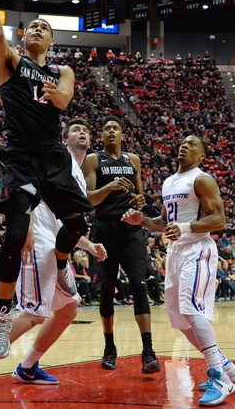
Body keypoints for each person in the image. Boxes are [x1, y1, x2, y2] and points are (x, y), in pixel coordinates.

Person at [0, 0, 93, 358]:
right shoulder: (11, 61)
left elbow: (64, 102)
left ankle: (61, 262)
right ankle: (3, 317)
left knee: (76, 226)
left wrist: (57, 95)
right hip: (19, 154)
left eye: (43, 27)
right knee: (15, 234)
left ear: (52, 40)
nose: (36, 29)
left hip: (52, 153)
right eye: (32, 26)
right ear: (24, 36)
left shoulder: (62, 71)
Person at [0, 118, 107, 401]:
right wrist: (25, 225)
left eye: (86, 130)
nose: (82, 132)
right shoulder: (55, 157)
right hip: (38, 243)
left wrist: (87, 245)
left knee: (68, 309)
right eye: (76, 129)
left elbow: (65, 221)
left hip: (55, 247)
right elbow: (29, 186)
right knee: (35, 312)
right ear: (63, 140)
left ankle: (27, 367)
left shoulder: (77, 174)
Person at [121, 135, 235, 406]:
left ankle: (218, 376)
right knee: (179, 317)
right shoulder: (169, 182)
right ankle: (227, 368)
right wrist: (142, 220)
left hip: (198, 249)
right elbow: (165, 222)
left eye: (192, 144)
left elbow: (219, 219)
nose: (184, 145)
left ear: (201, 156)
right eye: (183, 142)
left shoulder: (202, 179)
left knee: (191, 309)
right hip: (176, 252)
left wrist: (186, 228)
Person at [83, 115, 160, 374]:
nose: (111, 132)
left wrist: (139, 201)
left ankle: (148, 351)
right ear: (101, 136)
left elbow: (140, 197)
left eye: (116, 128)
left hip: (131, 229)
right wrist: (112, 187)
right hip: (104, 229)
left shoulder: (133, 160)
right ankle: (109, 347)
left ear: (123, 134)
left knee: (139, 285)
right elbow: (89, 199)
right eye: (107, 129)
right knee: (106, 289)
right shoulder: (94, 160)